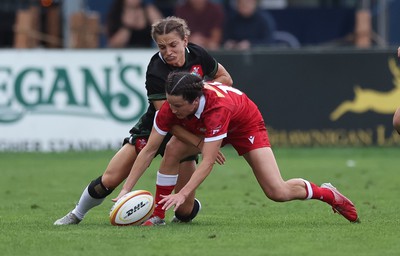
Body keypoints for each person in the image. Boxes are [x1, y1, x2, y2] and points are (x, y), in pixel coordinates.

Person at [114, 71, 360, 225]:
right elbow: (148, 150)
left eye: (178, 106)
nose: (172, 110)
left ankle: (328, 194)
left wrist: (182, 193)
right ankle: (158, 216)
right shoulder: (172, 106)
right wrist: (126, 189)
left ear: (195, 100)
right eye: (170, 104)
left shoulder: (216, 109)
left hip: (245, 125)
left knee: (277, 191)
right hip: (205, 125)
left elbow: (209, 161)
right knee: (172, 150)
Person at [54, 16, 233, 225]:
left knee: (184, 213)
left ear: (185, 40)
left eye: (173, 45)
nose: (168, 52)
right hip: (155, 128)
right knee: (109, 179)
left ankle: (188, 206)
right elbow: (169, 118)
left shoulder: (198, 54)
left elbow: (226, 79)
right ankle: (77, 214)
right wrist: (199, 143)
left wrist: (194, 93)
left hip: (189, 130)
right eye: (162, 47)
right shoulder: (156, 70)